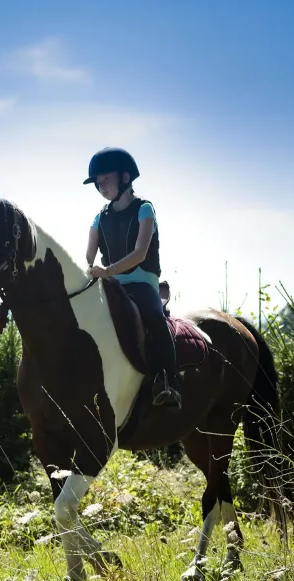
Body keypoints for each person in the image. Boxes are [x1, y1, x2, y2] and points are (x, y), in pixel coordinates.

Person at [83, 147, 181, 409]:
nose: (100, 186)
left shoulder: (144, 209)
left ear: (125, 177)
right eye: (97, 182)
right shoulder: (98, 217)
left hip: (142, 282)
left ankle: (168, 381)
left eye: (105, 179)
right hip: (111, 283)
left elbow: (139, 254)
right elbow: (89, 257)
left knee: (153, 317)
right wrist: (88, 272)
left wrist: (108, 271)